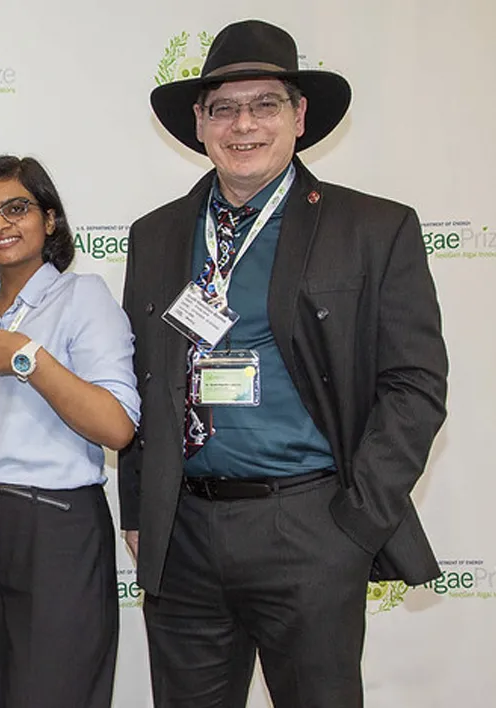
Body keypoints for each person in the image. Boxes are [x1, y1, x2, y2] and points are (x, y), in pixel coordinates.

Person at [120, 19, 449, 708]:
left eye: (265, 104)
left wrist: (354, 523)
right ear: (201, 123)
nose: (245, 125)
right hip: (182, 535)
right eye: (225, 108)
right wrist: (138, 505)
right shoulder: (155, 236)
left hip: (308, 525)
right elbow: (142, 380)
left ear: (300, 117)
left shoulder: (374, 228)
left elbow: (415, 384)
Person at [0, 155, 140, 707]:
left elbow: (117, 426)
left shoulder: (83, 298)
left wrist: (28, 360)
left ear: (49, 219)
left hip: (57, 526)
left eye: (16, 208)